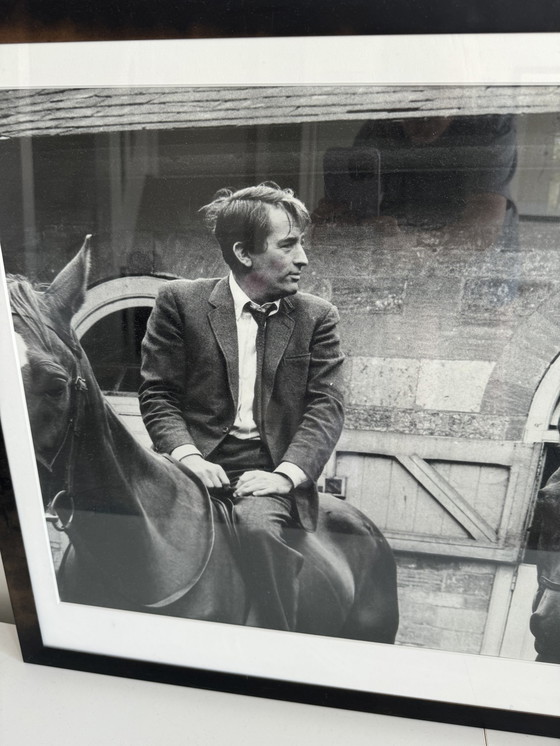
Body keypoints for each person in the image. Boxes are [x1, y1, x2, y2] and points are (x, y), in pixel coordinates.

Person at [138, 183, 345, 631]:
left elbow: (326, 407)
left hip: (268, 470)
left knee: (258, 533)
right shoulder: (180, 303)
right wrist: (188, 457)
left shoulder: (317, 317)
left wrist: (282, 477)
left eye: (301, 244)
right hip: (185, 465)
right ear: (244, 253)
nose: (303, 258)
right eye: (288, 245)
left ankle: (274, 648)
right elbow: (158, 395)